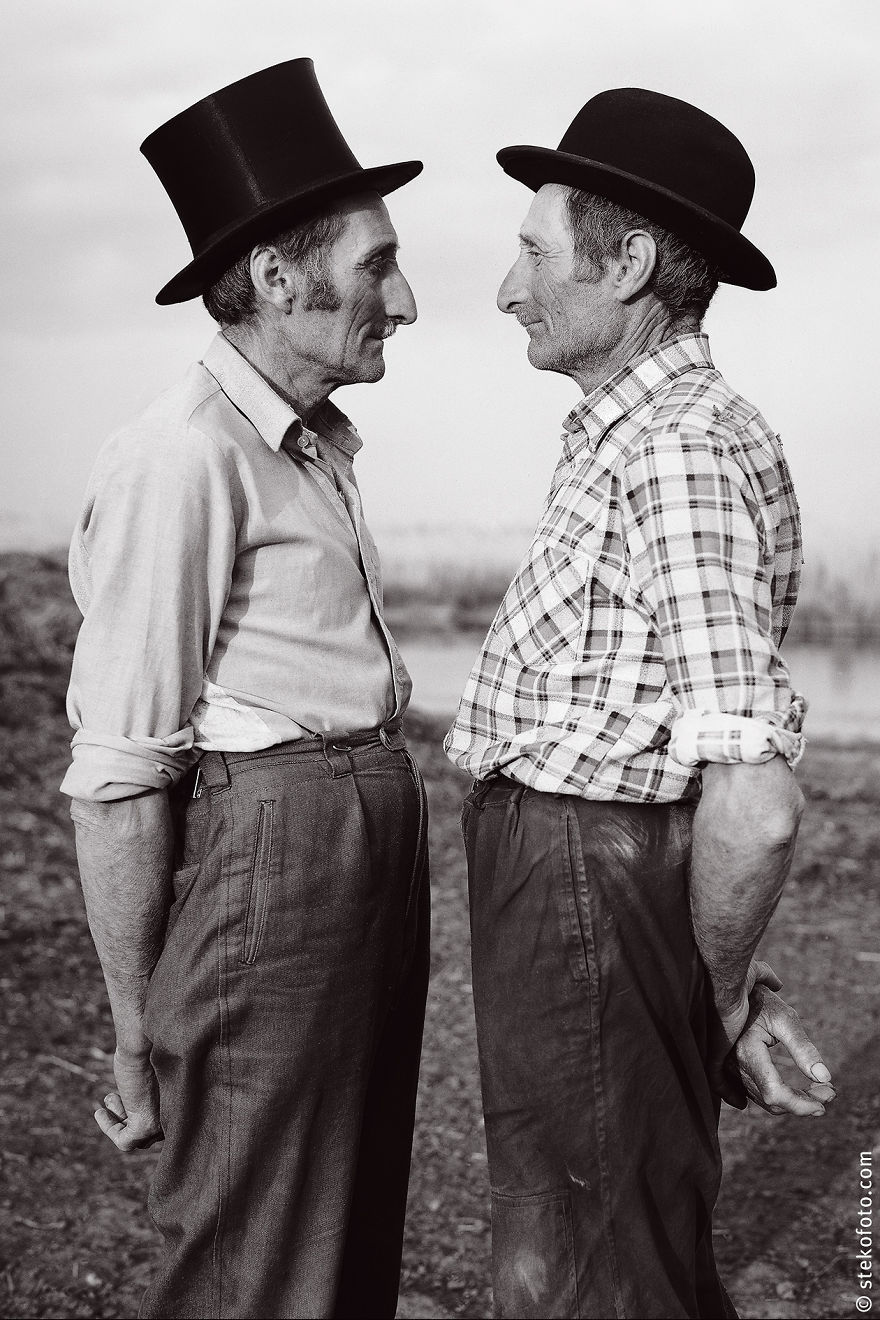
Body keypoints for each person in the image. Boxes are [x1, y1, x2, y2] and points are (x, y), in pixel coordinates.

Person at [445, 88, 835, 1319]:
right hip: (582, 886)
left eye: (531, 250)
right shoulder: (637, 433)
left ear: (629, 264)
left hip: (586, 887)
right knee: (588, 1236)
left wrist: (714, 993)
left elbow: (754, 798)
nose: (508, 290)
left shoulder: (673, 444)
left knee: (591, 1269)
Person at [61, 59, 429, 1320]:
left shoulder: (309, 441)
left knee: (343, 1220)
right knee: (252, 1247)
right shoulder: (180, 457)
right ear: (279, 277)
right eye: (377, 264)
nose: (407, 301)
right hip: (274, 865)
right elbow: (118, 774)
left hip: (355, 855)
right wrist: (134, 1029)